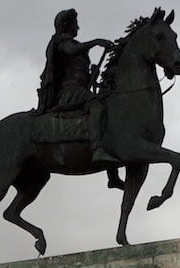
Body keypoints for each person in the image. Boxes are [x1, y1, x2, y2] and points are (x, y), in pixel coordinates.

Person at [34, 8, 115, 165]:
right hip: (68, 92)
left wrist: (92, 76)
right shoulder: (61, 42)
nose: (78, 28)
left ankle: (112, 170)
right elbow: (73, 50)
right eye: (75, 24)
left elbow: (78, 74)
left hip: (78, 89)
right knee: (97, 106)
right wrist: (96, 42)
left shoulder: (71, 44)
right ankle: (97, 149)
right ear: (66, 25)